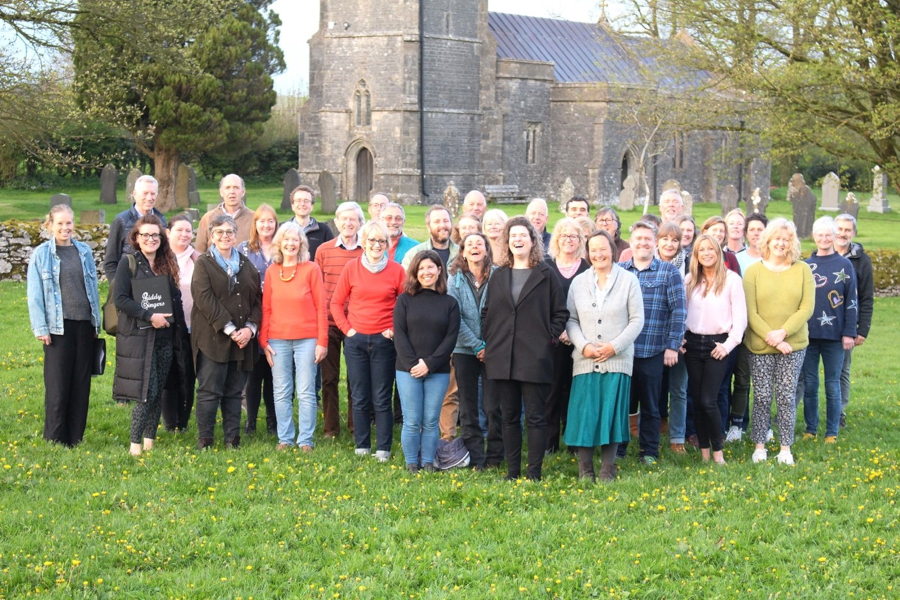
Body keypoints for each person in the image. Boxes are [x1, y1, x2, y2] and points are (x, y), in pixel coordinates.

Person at [483, 217, 567, 481]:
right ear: (507, 242)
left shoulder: (546, 274)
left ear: (533, 241)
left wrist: (546, 339)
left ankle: (534, 472)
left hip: (534, 357)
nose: (517, 240)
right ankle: (512, 471)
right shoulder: (499, 276)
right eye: (513, 236)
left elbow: (560, 313)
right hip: (502, 357)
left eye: (523, 235)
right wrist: (491, 337)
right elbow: (487, 312)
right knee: (507, 417)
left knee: (535, 417)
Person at [564, 230, 644, 481]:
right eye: (594, 249)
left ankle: (608, 468)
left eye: (603, 249)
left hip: (617, 359)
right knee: (584, 413)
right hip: (585, 359)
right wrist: (584, 346)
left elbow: (637, 320)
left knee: (611, 412)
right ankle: (585, 469)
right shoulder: (578, 282)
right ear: (588, 253)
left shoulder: (629, 280)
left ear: (613, 251)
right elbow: (571, 319)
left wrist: (614, 346)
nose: (599, 254)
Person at [330, 221, 406, 461]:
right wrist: (347, 330)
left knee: (382, 396)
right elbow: (335, 303)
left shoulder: (396, 271)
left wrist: (393, 329)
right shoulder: (352, 268)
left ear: (387, 244)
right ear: (363, 243)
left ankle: (383, 448)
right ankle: (361, 445)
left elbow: (405, 306)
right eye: (372, 240)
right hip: (356, 341)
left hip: (384, 342)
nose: (376, 245)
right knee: (360, 395)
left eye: (381, 241)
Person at [27, 204, 101, 447]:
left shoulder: (84, 252)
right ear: (50, 225)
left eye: (69, 223)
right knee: (58, 386)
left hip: (84, 326)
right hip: (57, 329)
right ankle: (55, 438)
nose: (65, 227)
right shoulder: (42, 254)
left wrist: (95, 323)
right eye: (60, 223)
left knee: (81, 384)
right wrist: (41, 328)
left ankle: (75, 437)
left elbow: (92, 290)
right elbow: (35, 295)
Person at [743, 218, 814, 465]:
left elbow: (806, 308)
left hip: (792, 346)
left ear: (792, 242)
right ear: (768, 240)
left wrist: (783, 333)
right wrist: (772, 338)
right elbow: (751, 312)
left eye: (786, 239)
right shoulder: (753, 271)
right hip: (760, 345)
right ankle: (759, 445)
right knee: (761, 396)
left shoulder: (802, 270)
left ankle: (785, 448)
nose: (781, 243)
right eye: (777, 238)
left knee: (785, 396)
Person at [113, 215, 185, 456]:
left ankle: (149, 439)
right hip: (141, 336)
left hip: (165, 336)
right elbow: (121, 300)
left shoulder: (167, 261)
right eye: (145, 235)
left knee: (160, 388)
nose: (151, 239)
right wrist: (148, 315)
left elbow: (174, 298)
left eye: (155, 235)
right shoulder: (129, 262)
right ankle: (134, 445)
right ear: (136, 238)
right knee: (148, 390)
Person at [191, 215, 262, 450]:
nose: (225, 236)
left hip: (242, 340)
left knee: (233, 392)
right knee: (210, 391)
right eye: (219, 232)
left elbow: (257, 299)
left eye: (229, 232)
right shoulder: (204, 264)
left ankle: (233, 438)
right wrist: (231, 329)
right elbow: (204, 299)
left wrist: (250, 329)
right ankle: (206, 439)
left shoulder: (245, 263)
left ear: (235, 235)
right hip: (213, 338)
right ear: (211, 236)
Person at [618, 221, 686, 465]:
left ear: (655, 242)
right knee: (623, 404)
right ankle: (619, 447)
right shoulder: (620, 270)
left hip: (653, 349)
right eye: (639, 239)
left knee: (651, 404)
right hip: (623, 351)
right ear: (631, 242)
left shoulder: (668, 272)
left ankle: (648, 450)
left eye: (648, 239)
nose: (643, 243)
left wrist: (672, 345)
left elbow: (678, 311)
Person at [259, 223, 328, 451]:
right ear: (279, 243)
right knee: (281, 390)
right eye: (286, 240)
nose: (290, 244)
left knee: (306, 390)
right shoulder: (271, 271)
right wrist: (264, 340)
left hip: (307, 338)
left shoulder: (311, 269)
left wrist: (322, 342)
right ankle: (285, 438)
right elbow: (266, 308)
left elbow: (321, 307)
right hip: (277, 339)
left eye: (295, 240)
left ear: (301, 244)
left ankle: (306, 439)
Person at [393, 250, 460, 472]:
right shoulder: (404, 300)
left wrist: (429, 364)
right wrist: (414, 364)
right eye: (421, 268)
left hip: (437, 370)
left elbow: (450, 339)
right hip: (407, 369)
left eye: (430, 267)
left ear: (439, 270)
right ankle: (412, 462)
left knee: (431, 420)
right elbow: (400, 334)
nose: (426, 272)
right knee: (412, 420)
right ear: (415, 272)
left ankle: (428, 461)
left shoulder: (450, 303)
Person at [683, 235, 747, 464]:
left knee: (709, 400)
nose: (707, 253)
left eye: (711, 249)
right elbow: (682, 314)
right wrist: (680, 338)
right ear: (696, 255)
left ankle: (718, 451)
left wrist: (728, 346)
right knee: (697, 400)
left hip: (718, 345)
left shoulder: (731, 280)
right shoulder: (690, 280)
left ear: (718, 252)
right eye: (702, 250)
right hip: (692, 344)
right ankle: (704, 452)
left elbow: (740, 320)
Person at [800, 217, 857, 443]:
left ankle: (832, 431)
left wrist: (849, 333)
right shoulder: (805, 265)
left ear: (834, 237)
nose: (824, 239)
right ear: (814, 236)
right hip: (808, 335)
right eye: (820, 234)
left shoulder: (845, 265)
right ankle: (810, 428)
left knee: (833, 385)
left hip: (835, 336)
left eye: (828, 235)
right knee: (810, 384)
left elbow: (852, 301)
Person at [448, 233, 502, 469]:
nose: (474, 247)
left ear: (487, 249)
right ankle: (475, 457)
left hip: (495, 349)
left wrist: (489, 345)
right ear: (463, 252)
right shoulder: (454, 279)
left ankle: (495, 456)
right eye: (469, 244)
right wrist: (477, 345)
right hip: (464, 350)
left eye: (479, 244)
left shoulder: (500, 276)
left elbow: (504, 314)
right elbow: (455, 317)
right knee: (468, 407)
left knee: (494, 405)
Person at [315, 201, 365, 438]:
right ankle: (331, 428)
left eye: (352, 219)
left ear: (359, 223)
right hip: (329, 323)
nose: (348, 223)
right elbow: (317, 287)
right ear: (336, 222)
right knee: (329, 378)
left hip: (357, 323)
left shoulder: (366, 250)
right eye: (344, 219)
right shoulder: (324, 250)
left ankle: (356, 426)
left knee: (357, 379)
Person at [545, 217, 589, 453]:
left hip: (579, 342)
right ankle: (550, 442)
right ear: (557, 239)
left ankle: (573, 440)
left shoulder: (587, 269)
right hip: (551, 340)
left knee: (574, 392)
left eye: (574, 236)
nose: (568, 240)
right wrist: (558, 330)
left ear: (580, 240)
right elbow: (542, 305)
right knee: (551, 391)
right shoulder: (546, 267)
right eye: (564, 235)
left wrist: (572, 332)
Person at [725, 212, 768, 442]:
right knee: (741, 378)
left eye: (760, 230)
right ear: (745, 233)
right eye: (752, 230)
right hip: (740, 326)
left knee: (762, 379)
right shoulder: (737, 259)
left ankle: (764, 424)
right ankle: (736, 423)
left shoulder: (771, 260)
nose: (756, 234)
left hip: (765, 328)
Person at [237, 204, 278, 435]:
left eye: (270, 221)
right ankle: (251, 422)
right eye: (261, 221)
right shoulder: (244, 249)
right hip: (251, 314)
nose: (266, 225)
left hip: (277, 316)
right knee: (253, 375)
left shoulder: (282, 248)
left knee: (273, 374)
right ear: (255, 224)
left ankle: (273, 421)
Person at [833, 213, 874, 428]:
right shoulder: (820, 255)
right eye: (839, 229)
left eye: (847, 230)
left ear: (853, 233)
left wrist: (862, 329)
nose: (842, 233)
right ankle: (793, 411)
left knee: (842, 370)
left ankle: (839, 411)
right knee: (806, 372)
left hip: (847, 327)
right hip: (820, 325)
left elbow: (867, 298)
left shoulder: (861, 261)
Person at [160, 214, 199, 433]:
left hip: (192, 325)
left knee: (188, 373)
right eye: (179, 230)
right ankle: (170, 421)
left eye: (188, 231)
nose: (184, 234)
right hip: (167, 326)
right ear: (168, 232)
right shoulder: (159, 258)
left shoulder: (199, 259)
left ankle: (182, 421)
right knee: (169, 373)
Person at [656, 222, 689, 453]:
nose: (670, 244)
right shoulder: (648, 264)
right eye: (665, 239)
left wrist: (680, 337)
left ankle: (677, 437)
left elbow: (690, 305)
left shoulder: (689, 266)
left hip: (682, 339)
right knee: (653, 388)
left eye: (675, 240)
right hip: (654, 337)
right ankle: (652, 431)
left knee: (679, 389)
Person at [103, 175, 167, 282]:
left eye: (153, 193)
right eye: (145, 193)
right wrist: (117, 287)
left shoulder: (162, 220)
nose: (149, 198)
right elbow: (110, 262)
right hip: (129, 282)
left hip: (156, 284)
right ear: (134, 194)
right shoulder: (121, 221)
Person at [195, 174, 255, 252]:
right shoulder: (208, 218)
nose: (232, 191)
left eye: (236, 187)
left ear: (243, 192)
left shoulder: (254, 218)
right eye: (227, 188)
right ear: (221, 192)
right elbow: (199, 251)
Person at [287, 185, 334, 259]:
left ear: (312, 206)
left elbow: (331, 255)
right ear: (292, 206)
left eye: (306, 201)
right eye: (298, 200)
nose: (302, 204)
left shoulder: (324, 230)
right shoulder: (282, 229)